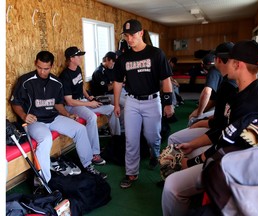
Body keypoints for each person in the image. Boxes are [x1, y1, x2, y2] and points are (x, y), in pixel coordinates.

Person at [161, 40, 258, 216]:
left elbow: (227, 149)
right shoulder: (246, 92)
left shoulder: (252, 103)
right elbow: (224, 132)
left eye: (229, 60)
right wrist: (193, 145)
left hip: (244, 173)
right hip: (237, 158)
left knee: (172, 186)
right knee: (192, 151)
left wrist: (190, 162)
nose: (224, 63)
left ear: (237, 64)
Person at [10, 51, 107, 191]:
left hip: (53, 117)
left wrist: (67, 114)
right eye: (39, 67)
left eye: (46, 68)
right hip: (35, 121)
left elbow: (57, 104)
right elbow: (15, 103)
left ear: (52, 66)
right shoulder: (25, 81)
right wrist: (24, 115)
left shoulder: (56, 83)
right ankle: (44, 182)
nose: (42, 71)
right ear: (35, 64)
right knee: (46, 138)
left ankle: (88, 165)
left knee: (80, 129)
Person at [113, 19, 174, 189]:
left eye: (132, 35)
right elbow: (118, 82)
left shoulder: (156, 54)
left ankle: (154, 154)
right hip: (132, 102)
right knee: (131, 139)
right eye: (126, 35)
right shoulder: (123, 58)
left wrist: (169, 103)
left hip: (152, 101)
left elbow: (166, 80)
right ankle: (131, 173)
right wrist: (117, 104)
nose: (129, 39)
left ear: (141, 33)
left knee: (152, 136)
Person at [59, 46, 121, 164]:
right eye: (78, 56)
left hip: (83, 101)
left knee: (112, 109)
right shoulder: (65, 76)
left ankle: (116, 140)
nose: (81, 58)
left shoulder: (78, 69)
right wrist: (89, 103)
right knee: (92, 117)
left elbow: (81, 85)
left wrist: (88, 97)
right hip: (73, 106)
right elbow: (69, 101)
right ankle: (94, 154)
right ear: (71, 58)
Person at [187, 52, 222, 126]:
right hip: (226, 108)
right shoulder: (222, 70)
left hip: (225, 112)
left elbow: (206, 92)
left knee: (192, 119)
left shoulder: (213, 71)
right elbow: (214, 99)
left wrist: (199, 114)